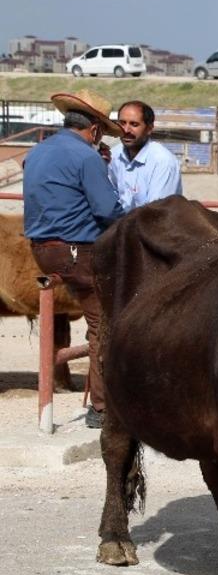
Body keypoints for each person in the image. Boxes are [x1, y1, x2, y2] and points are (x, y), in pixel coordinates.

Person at [23, 91, 125, 429]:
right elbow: (107, 210)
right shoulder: (86, 158)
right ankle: (102, 408)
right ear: (95, 130)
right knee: (103, 323)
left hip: (42, 249)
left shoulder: (38, 152)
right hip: (77, 250)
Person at [108, 100, 182, 210]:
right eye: (122, 123)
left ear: (149, 129)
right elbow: (110, 196)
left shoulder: (162, 162)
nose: (126, 130)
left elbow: (156, 213)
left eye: (134, 124)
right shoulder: (114, 155)